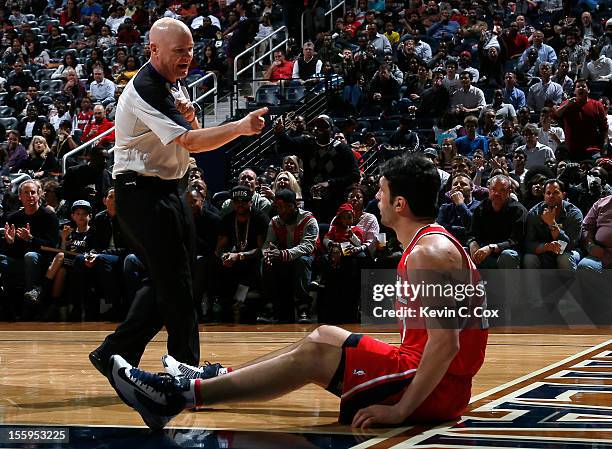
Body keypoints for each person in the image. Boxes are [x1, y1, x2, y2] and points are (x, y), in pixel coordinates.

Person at [107, 154, 489, 431]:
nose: (377, 197)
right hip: (427, 374)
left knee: (320, 347)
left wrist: (401, 410)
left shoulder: (430, 254)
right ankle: (211, 378)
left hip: (437, 387)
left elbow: (446, 344)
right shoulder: (430, 246)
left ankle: (179, 397)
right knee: (321, 337)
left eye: (383, 192)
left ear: (400, 204)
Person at [89, 18, 267, 379]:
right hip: (141, 193)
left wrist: (193, 119)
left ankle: (114, 352)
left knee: (174, 280)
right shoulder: (146, 87)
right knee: (179, 284)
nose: (188, 56)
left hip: (168, 191)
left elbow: (195, 138)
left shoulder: (172, 83)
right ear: (154, 50)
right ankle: (185, 370)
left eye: (189, 50)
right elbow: (190, 142)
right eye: (179, 51)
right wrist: (240, 127)